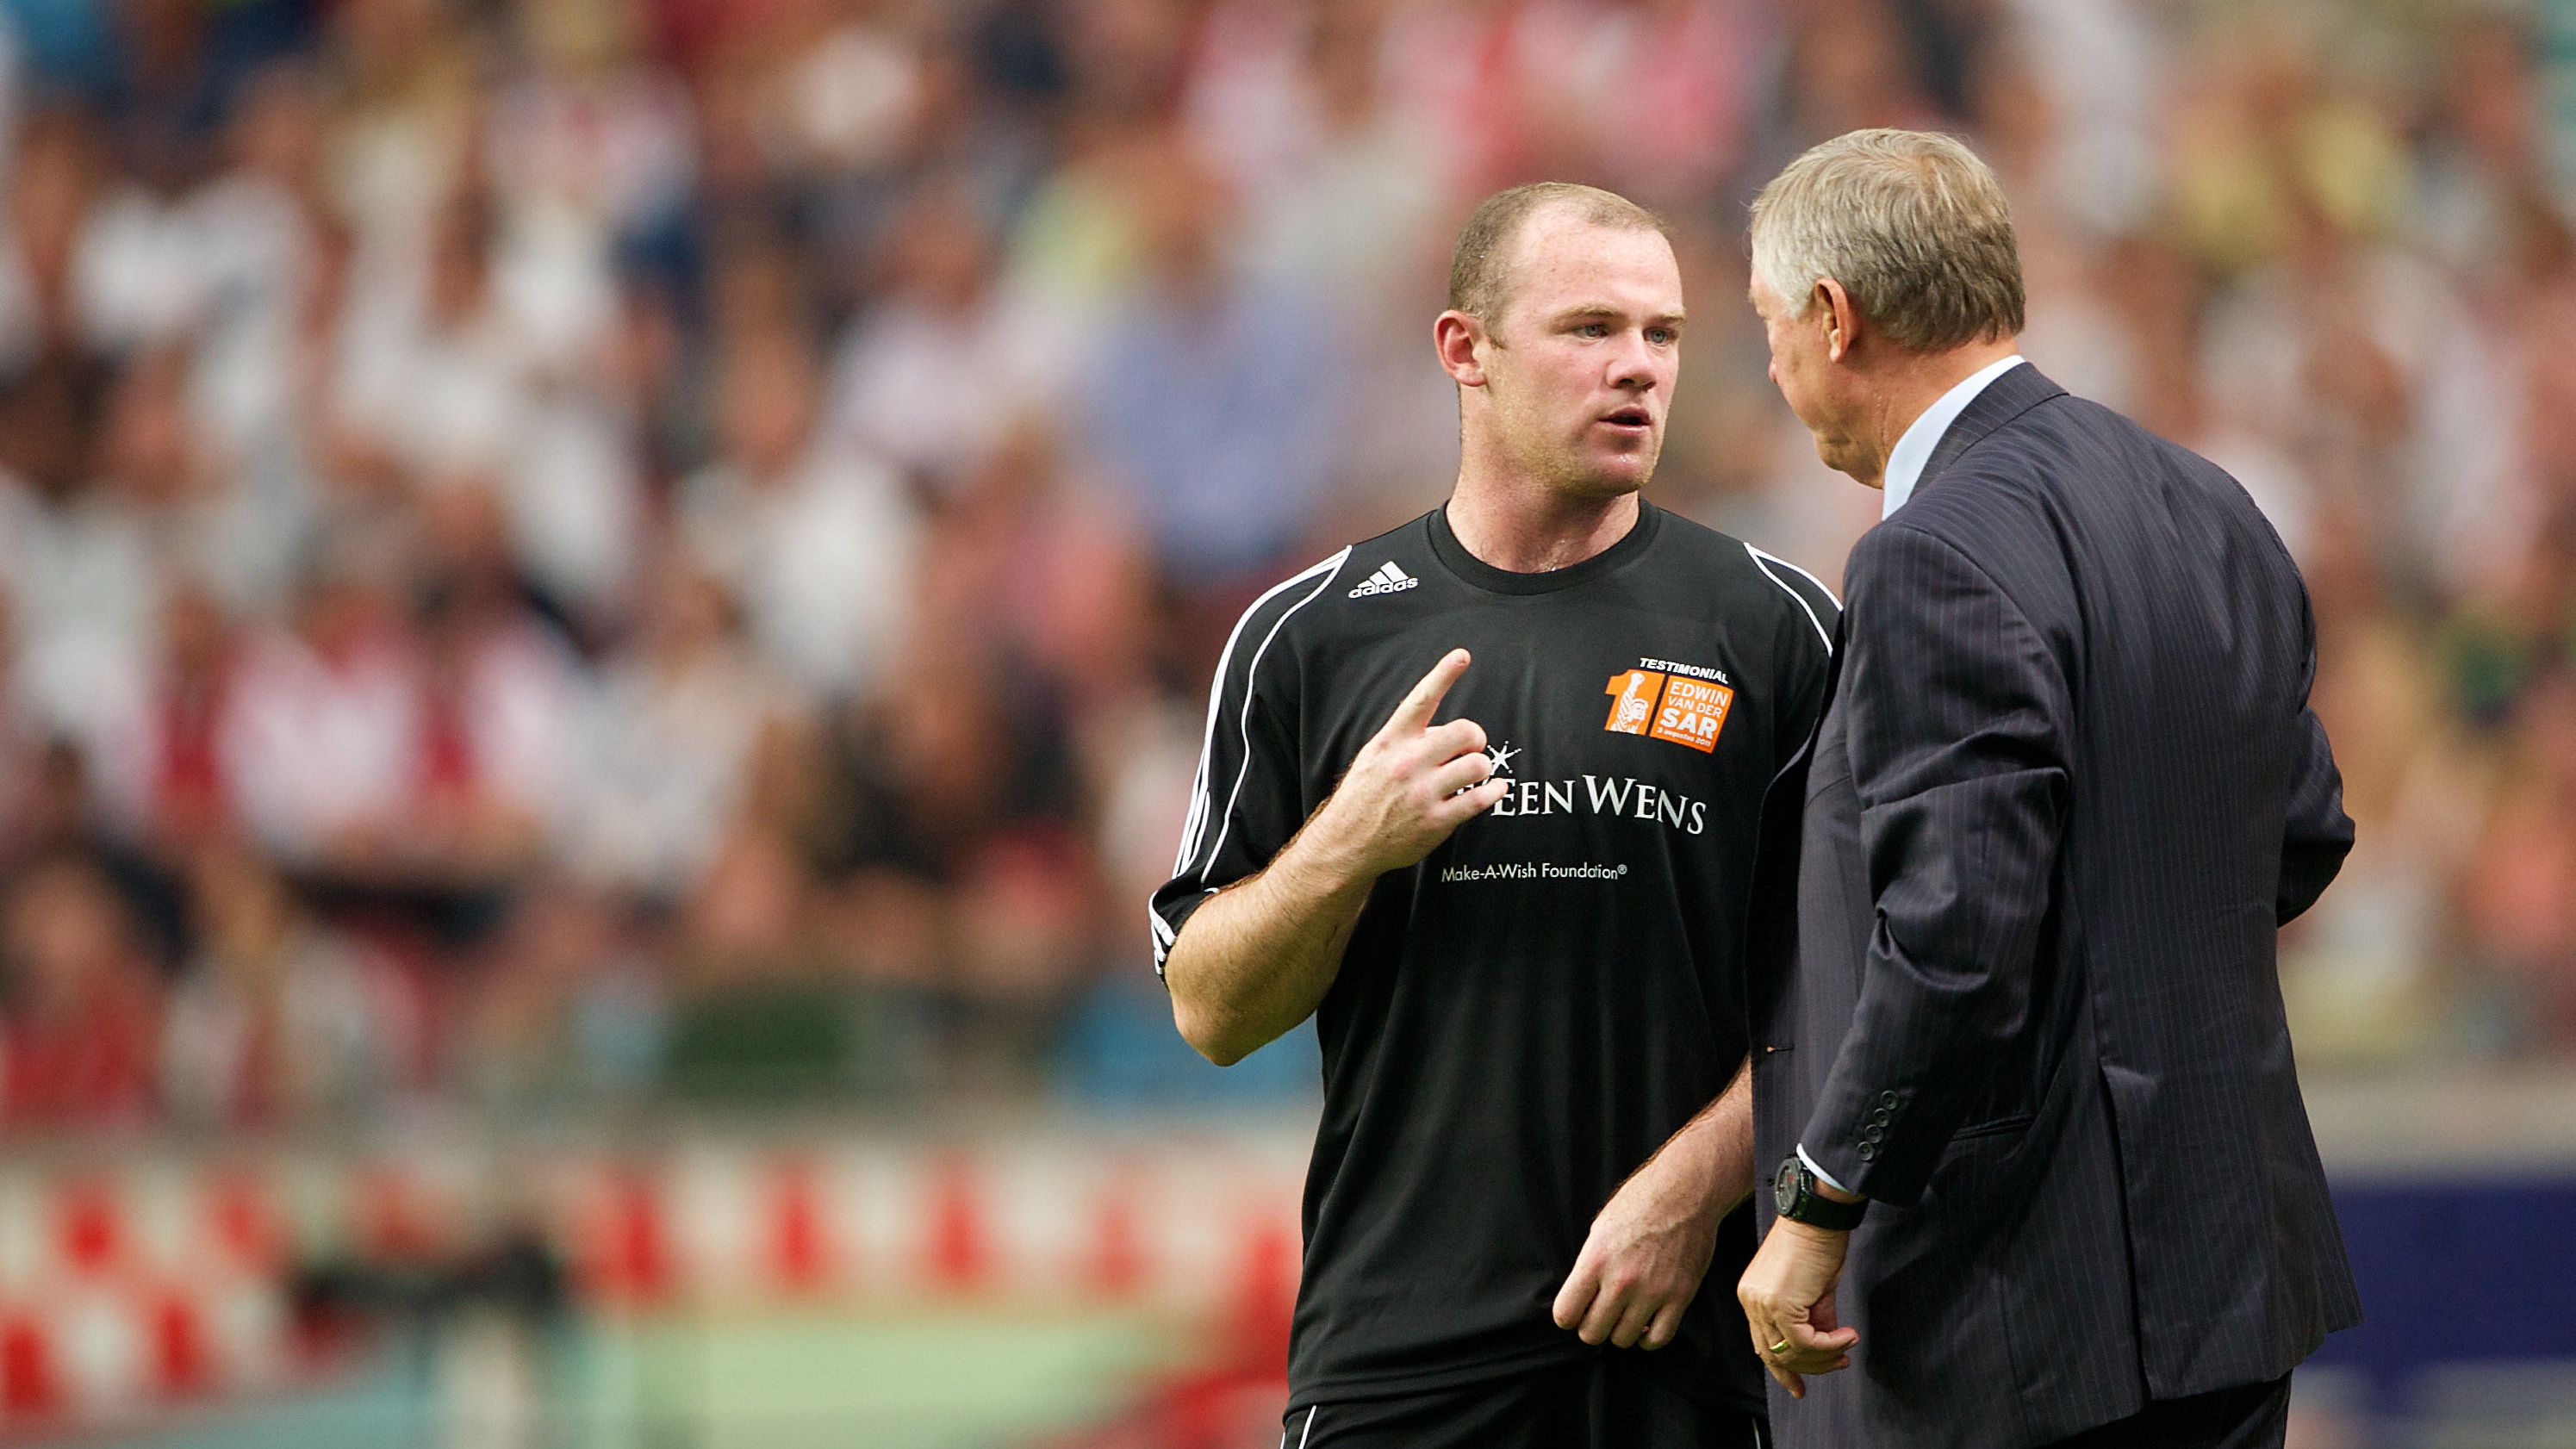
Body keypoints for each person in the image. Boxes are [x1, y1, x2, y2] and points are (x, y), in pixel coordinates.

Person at [1150, 182, 1838, 1449]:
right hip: (1395, 1360)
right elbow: (1209, 1008)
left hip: (1677, 1356)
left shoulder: (1773, 627)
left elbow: (1853, 991)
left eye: (1663, 335)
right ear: (1465, 350)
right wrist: (1348, 842)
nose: (1636, 368)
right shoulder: (1309, 636)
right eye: (1589, 328)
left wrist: (1692, 1190)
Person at [1732, 129, 2359, 1449]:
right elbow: (2300, 825)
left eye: (1769, 325)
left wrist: (1818, 1202)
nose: (1772, 364)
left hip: (2023, 1315)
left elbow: (1955, 947)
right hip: (2229, 1276)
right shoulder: (2207, 501)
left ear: (1834, 318)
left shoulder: (1925, 555)